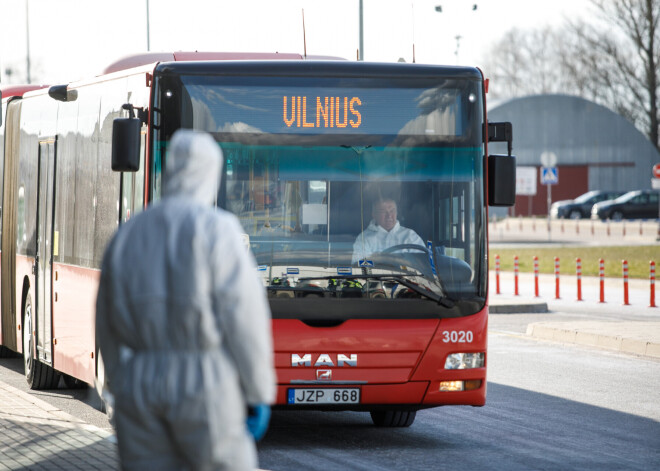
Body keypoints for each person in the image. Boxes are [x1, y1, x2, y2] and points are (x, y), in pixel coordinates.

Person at [95, 129, 275, 471]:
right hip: (204, 380)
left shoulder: (128, 234)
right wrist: (257, 390)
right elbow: (245, 318)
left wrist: (119, 383)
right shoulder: (218, 229)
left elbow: (105, 321)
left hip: (140, 383)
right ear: (212, 174)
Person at [352, 197, 425, 263]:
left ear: (397, 213)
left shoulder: (410, 235)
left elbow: (423, 265)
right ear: (374, 214)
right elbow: (359, 266)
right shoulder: (364, 238)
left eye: (392, 211)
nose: (389, 215)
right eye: (383, 211)